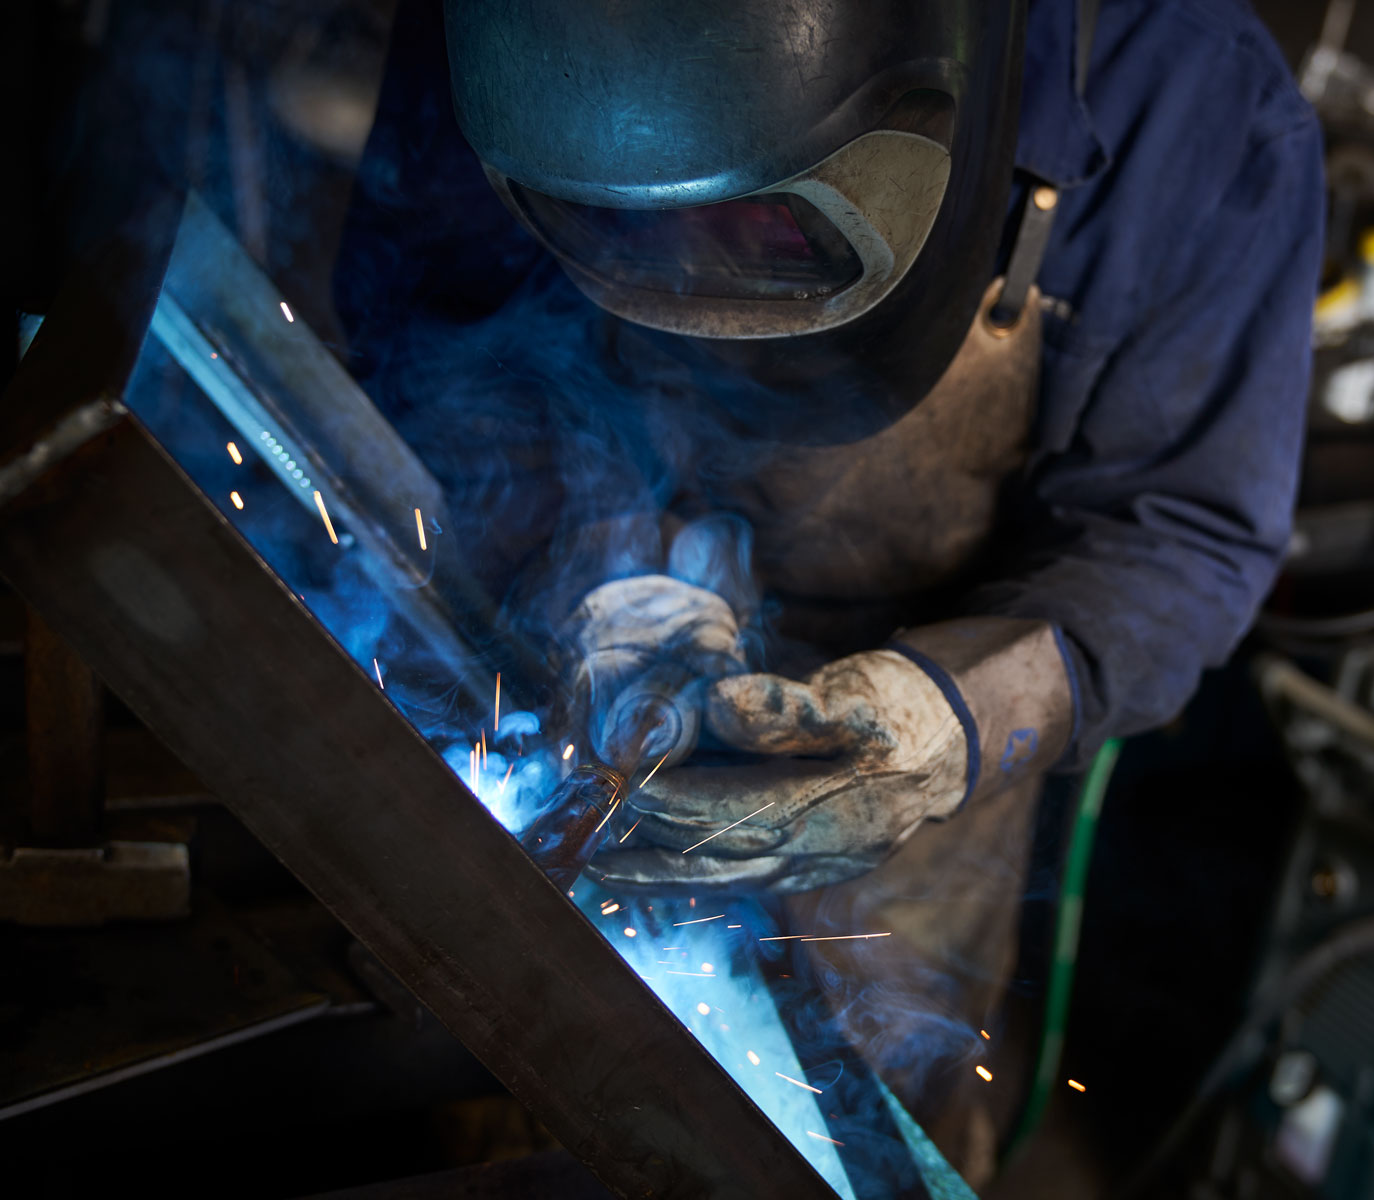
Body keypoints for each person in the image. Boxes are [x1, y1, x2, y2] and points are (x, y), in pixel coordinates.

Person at [337, 0, 1322, 1177]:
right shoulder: (506, 28)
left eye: (760, 226)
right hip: (563, 672)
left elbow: (1185, 532)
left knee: (858, 1141)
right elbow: (435, 333)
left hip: (920, 781)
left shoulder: (1198, 101)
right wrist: (598, 577)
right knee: (523, 1084)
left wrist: (949, 718)